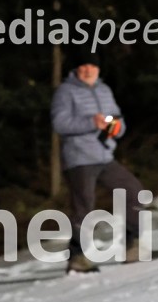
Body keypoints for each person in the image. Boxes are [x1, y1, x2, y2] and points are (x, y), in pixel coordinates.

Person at [51, 49, 144, 273]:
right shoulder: (65, 91)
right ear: (76, 69)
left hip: (105, 155)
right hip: (80, 158)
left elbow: (117, 118)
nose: (88, 70)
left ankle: (133, 246)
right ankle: (77, 258)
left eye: (92, 66)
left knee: (133, 191)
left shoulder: (104, 90)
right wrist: (91, 122)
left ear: (98, 69)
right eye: (83, 66)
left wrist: (117, 128)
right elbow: (60, 123)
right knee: (84, 206)